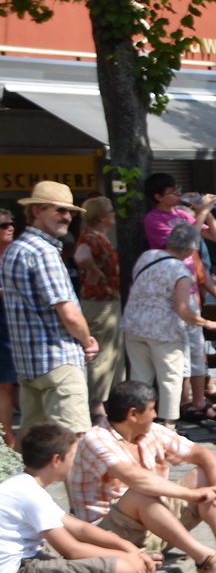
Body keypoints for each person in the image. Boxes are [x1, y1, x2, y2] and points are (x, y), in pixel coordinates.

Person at [65, 380, 216, 573]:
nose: (156, 415)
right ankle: (203, 557)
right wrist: (190, 494)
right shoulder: (95, 438)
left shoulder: (151, 431)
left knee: (204, 474)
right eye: (151, 409)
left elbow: (201, 453)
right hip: (110, 535)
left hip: (155, 526)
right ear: (133, 414)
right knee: (141, 492)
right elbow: (135, 478)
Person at [0, 422, 157, 573]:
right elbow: (72, 549)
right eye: (72, 456)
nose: (74, 463)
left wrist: (129, 548)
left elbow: (79, 527)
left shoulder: (23, 485)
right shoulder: (30, 494)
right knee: (124, 570)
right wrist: (127, 559)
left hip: (27, 562)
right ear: (56, 460)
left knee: (120, 566)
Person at [1, 182, 98, 431]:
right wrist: (88, 342)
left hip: (28, 364)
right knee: (71, 444)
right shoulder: (43, 252)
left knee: (37, 451)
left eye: (70, 212)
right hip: (58, 360)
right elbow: (69, 314)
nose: (67, 217)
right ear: (36, 211)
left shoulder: (15, 249)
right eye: (59, 210)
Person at [120, 223, 216, 422]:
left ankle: (138, 421)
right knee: (170, 378)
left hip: (134, 324)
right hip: (163, 330)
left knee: (140, 378)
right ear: (190, 249)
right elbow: (184, 310)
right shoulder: (181, 272)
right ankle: (169, 424)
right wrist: (206, 323)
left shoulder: (147, 256)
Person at [72, 197, 123, 418]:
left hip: (105, 301)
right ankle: (96, 404)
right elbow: (80, 256)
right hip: (101, 303)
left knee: (109, 353)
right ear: (102, 216)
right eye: (111, 210)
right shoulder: (92, 237)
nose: (114, 214)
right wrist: (93, 269)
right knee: (103, 353)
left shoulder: (96, 236)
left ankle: (103, 399)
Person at [0, 210, 16, 448]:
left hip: (15, 326)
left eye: (11, 223)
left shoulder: (14, 255)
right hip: (2, 325)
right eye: (4, 225)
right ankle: (7, 439)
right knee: (4, 385)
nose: (11, 227)